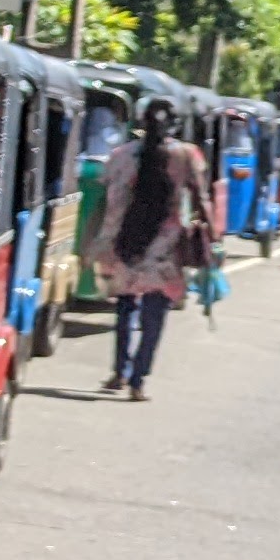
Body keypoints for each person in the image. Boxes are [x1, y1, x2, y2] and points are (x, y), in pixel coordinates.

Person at [91, 111, 210, 403]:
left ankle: (119, 371)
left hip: (123, 243)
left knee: (125, 309)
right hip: (164, 248)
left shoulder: (120, 155)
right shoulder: (186, 155)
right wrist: (212, 239)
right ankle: (138, 381)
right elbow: (201, 198)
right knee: (154, 316)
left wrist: (92, 241)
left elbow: (104, 197)